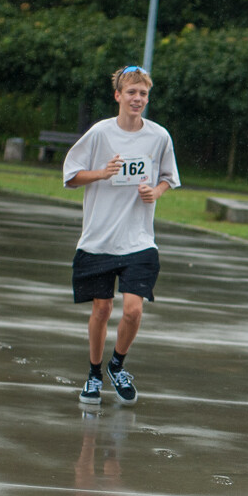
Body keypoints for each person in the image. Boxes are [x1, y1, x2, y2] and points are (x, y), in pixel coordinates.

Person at [63, 65, 179, 406]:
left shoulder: (159, 137)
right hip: (99, 238)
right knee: (101, 310)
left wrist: (155, 192)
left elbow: (169, 177)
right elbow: (71, 176)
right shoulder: (100, 133)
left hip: (139, 239)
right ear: (118, 95)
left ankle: (118, 365)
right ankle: (94, 374)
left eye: (143, 93)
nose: (137, 99)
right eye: (131, 92)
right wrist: (102, 173)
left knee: (132, 311)